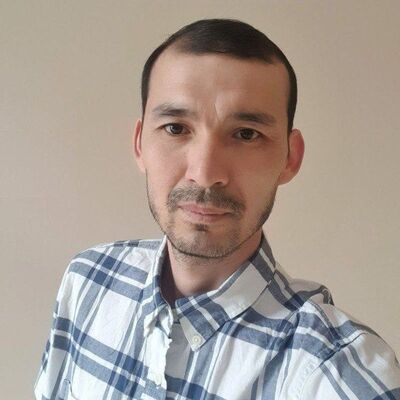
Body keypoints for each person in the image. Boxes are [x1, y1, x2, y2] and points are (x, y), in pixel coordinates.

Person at [35, 19, 400, 400]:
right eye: (176, 128)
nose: (205, 173)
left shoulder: (333, 370)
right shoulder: (88, 280)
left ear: (290, 158)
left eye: (246, 134)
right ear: (140, 143)